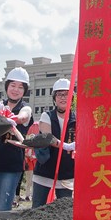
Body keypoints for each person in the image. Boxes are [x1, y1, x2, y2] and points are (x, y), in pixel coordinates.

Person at [0, 67, 33, 212]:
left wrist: (10, 118)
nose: (15, 90)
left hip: (11, 165)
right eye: (12, 85)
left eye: (20, 87)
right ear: (7, 87)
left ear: (24, 91)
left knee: (4, 207)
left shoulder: (25, 108)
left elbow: (23, 117)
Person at [31, 78, 76, 208]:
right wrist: (66, 146)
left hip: (67, 173)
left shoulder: (76, 118)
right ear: (54, 98)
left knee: (64, 209)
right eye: (60, 94)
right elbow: (47, 137)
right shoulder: (47, 116)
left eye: (67, 94)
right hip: (45, 171)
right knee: (38, 208)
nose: (63, 98)